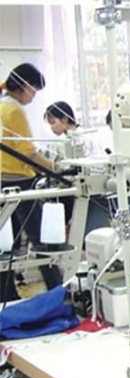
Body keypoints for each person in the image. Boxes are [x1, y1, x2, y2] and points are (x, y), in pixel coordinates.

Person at [0, 63, 63, 302]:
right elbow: (28, 153)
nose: (34, 96)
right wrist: (57, 168)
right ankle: (57, 292)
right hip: (21, 182)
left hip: (4, 181)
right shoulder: (14, 110)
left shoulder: (2, 105)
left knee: (8, 244)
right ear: (25, 86)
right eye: (34, 90)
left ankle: (8, 295)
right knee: (41, 240)